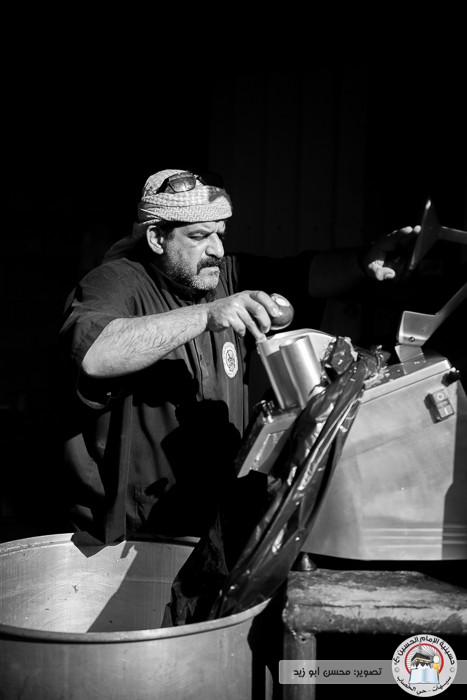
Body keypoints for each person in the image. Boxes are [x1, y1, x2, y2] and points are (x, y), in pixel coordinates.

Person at [60, 168, 419, 546]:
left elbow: (305, 274)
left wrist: (364, 261)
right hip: (136, 532)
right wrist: (206, 316)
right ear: (156, 238)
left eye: (220, 234)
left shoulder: (223, 276)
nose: (216, 249)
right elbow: (93, 353)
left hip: (215, 521)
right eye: (199, 236)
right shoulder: (115, 282)